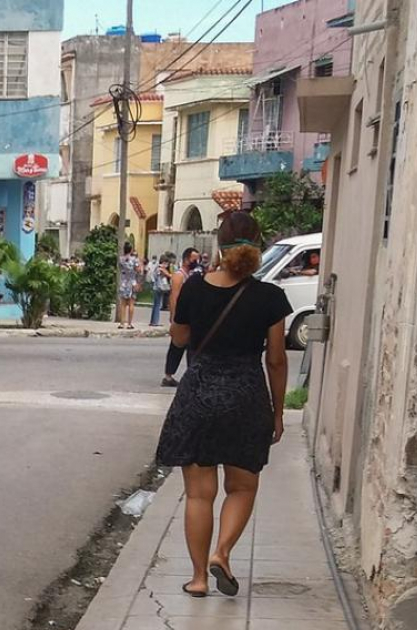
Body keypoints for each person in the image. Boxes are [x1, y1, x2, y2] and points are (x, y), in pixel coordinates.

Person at [155, 212, 291, 598]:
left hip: (198, 393)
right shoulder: (270, 297)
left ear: (219, 245)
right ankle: (223, 553)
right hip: (246, 395)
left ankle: (198, 578)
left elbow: (179, 339)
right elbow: (277, 360)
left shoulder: (195, 288)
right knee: (242, 486)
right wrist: (277, 412)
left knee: (200, 494)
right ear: (257, 245)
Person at [162, 247, 200, 386]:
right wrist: (174, 317)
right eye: (194, 259)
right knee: (177, 346)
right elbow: (174, 296)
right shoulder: (179, 275)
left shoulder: (192, 275)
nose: (196, 262)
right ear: (186, 260)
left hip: (192, 317)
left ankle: (192, 375)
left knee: (193, 347)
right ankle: (168, 376)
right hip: (182, 317)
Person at [117, 242, 142, 329]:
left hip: (124, 282)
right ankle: (129, 323)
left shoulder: (121, 259)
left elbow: (121, 269)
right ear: (131, 249)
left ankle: (121, 323)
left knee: (123, 304)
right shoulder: (135, 259)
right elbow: (138, 270)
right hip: (132, 282)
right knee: (131, 303)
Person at [150, 254, 174, 327]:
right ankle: (155, 322)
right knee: (157, 305)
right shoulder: (160, 268)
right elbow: (169, 275)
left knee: (156, 304)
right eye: (165, 263)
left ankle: (153, 321)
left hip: (156, 287)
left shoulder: (158, 267)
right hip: (159, 287)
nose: (166, 264)